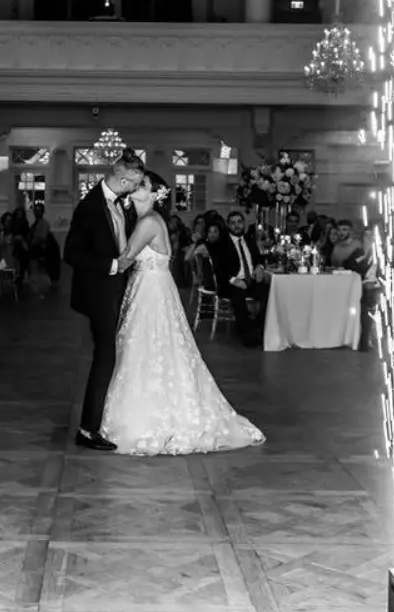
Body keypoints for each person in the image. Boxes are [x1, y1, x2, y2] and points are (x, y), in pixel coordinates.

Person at [100, 171, 265, 455]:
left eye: (142, 185)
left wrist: (98, 264)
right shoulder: (146, 220)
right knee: (151, 350)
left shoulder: (149, 221)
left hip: (151, 291)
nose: (134, 188)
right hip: (150, 287)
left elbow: (125, 259)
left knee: (147, 349)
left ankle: (147, 418)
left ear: (154, 194)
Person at [63, 148, 145, 452]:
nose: (133, 189)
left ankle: (100, 420)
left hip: (117, 288)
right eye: (133, 183)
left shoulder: (120, 203)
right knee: (105, 356)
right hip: (99, 290)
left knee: (111, 354)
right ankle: (88, 429)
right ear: (123, 178)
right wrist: (112, 265)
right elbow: (70, 253)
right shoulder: (89, 207)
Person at [207, 211, 267, 347]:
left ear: (243, 224)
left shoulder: (249, 239)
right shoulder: (222, 243)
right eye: (233, 223)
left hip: (251, 279)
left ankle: (263, 331)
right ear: (228, 225)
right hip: (231, 283)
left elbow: (258, 258)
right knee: (238, 297)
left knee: (268, 293)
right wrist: (234, 280)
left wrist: (259, 267)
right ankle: (249, 337)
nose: (236, 225)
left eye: (239, 222)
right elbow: (218, 268)